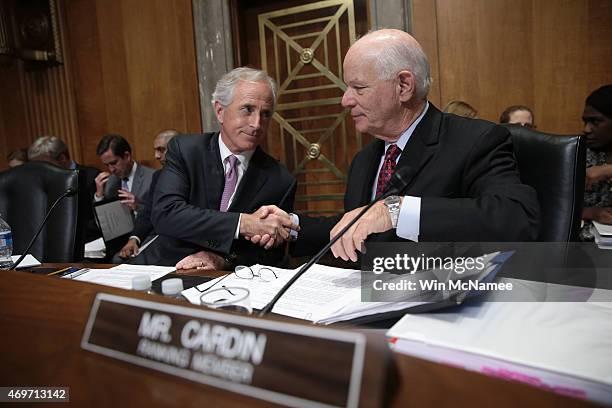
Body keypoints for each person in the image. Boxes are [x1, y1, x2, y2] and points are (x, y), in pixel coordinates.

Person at [254, 29, 539, 262]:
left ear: (403, 86)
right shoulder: (365, 159)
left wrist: (396, 211)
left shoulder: (476, 140)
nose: (345, 100)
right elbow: (356, 226)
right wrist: (291, 226)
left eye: (359, 88)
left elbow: (516, 218)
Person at [144, 67, 297, 269]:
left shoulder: (280, 180)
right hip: (164, 267)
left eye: (266, 114)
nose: (257, 123)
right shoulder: (186, 150)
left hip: (228, 281)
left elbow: (271, 255)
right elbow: (166, 213)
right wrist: (243, 224)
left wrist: (223, 260)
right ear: (220, 111)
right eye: (248, 109)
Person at [117, 129, 178, 259]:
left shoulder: (194, 172)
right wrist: (134, 239)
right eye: (155, 150)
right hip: (157, 237)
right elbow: (148, 211)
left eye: (161, 150)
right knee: (121, 259)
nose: (156, 155)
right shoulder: (158, 176)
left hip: (181, 240)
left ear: (177, 149)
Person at [27, 135, 101, 241]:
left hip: (89, 243)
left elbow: (99, 221)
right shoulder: (42, 185)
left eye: (45, 164)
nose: (41, 171)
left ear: (62, 158)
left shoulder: (92, 176)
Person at [579, 84, 612, 241]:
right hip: (582, 247)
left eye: (595, 122)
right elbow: (548, 206)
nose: (586, 129)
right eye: (585, 121)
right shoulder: (577, 153)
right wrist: (591, 212)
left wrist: (609, 170)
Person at [94, 134, 154, 213]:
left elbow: (162, 215)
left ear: (127, 156)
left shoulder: (152, 177)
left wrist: (137, 207)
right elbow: (103, 220)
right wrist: (99, 196)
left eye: (114, 163)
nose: (111, 169)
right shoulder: (109, 182)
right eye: (107, 165)